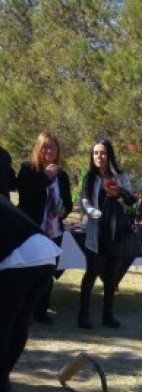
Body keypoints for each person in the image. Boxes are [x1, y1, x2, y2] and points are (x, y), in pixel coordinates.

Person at [0, 197, 61, 392]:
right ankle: (3, 378)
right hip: (45, 253)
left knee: (6, 320)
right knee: (20, 319)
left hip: (21, 257)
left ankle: (1, 378)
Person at [78, 138, 136, 329]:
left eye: (102, 153)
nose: (99, 157)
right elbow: (83, 201)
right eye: (95, 153)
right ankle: (83, 316)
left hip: (115, 234)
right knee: (91, 274)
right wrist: (92, 212)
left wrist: (118, 192)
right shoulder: (90, 178)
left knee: (111, 277)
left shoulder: (120, 176)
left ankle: (107, 315)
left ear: (109, 154)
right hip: (95, 234)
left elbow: (131, 202)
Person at [17, 131, 73, 324]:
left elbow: (68, 202)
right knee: (30, 272)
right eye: (45, 147)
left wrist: (63, 211)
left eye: (52, 147)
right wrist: (46, 178)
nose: (49, 151)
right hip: (33, 230)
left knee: (48, 274)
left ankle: (41, 311)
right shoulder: (28, 169)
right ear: (38, 149)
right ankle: (24, 310)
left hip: (54, 231)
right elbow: (25, 195)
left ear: (57, 151)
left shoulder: (62, 174)